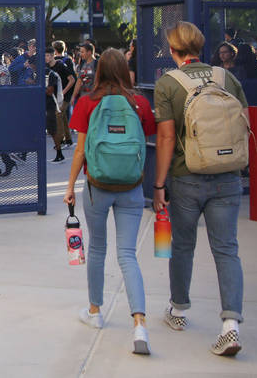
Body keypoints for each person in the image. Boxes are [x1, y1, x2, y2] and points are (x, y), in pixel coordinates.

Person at [152, 21, 247, 357]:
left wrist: (159, 184)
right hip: (227, 176)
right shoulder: (227, 78)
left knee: (183, 246)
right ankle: (231, 326)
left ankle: (178, 311)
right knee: (227, 250)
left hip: (186, 175)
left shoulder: (168, 83)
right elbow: (242, 122)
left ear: (173, 50)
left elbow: (165, 138)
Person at [64, 48, 156, 355]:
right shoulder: (139, 102)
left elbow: (79, 151)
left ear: (99, 70)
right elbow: (147, 139)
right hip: (131, 186)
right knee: (127, 254)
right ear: (125, 68)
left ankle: (95, 312)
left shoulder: (88, 102)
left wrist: (69, 186)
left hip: (97, 185)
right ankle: (140, 323)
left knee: (98, 248)